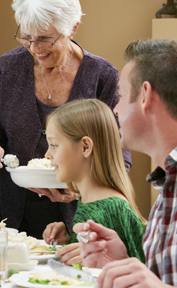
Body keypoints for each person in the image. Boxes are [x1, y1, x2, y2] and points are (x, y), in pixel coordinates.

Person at [0, 0, 131, 238]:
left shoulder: (102, 76)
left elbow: (118, 158)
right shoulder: (8, 67)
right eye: (27, 37)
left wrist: (77, 190)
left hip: (80, 223)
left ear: (73, 29)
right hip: (10, 220)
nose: (35, 48)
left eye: (45, 38)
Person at [76, 39, 177, 287]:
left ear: (145, 95)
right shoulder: (166, 185)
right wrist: (122, 262)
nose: (116, 110)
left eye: (121, 96)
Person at [40, 99, 145, 265]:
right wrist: (69, 242)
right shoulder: (86, 199)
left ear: (85, 147)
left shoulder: (113, 208)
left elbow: (136, 271)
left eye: (54, 145)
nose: (47, 154)